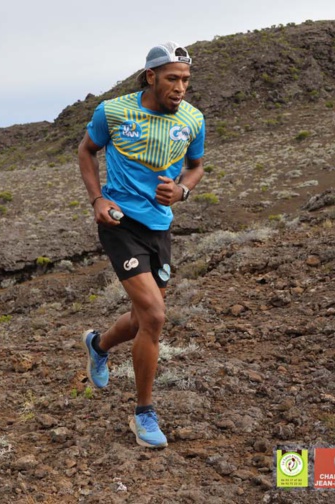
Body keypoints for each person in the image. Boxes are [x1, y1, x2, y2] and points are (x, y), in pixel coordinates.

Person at [77, 42, 206, 448]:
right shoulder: (112, 112)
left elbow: (196, 166)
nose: (180, 87)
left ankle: (97, 345)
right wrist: (98, 199)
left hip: (159, 227)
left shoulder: (193, 119)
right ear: (150, 77)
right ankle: (144, 414)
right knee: (154, 314)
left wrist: (182, 191)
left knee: (141, 319)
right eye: (172, 79)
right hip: (119, 224)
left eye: (185, 79)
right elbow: (86, 150)